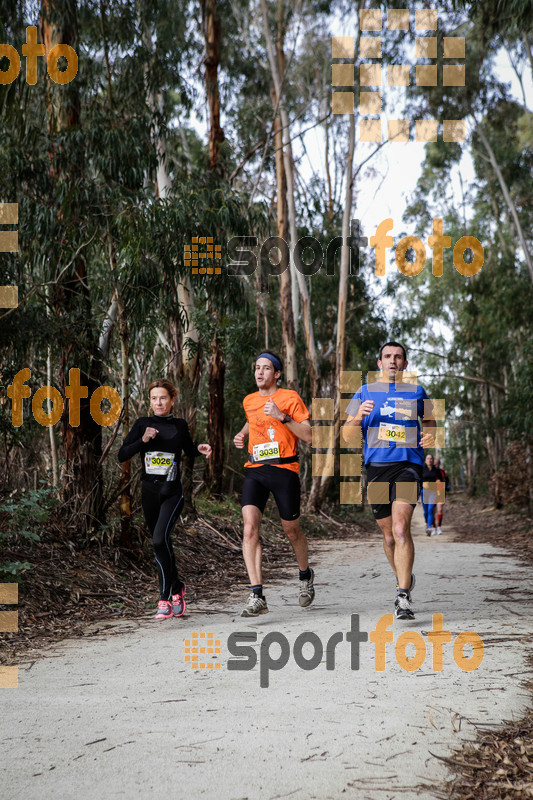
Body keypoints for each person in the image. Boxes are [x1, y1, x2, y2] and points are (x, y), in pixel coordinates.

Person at [342, 342, 436, 620]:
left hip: (409, 465)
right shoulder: (363, 392)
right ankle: (403, 579)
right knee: (387, 535)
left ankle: (402, 597)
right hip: (376, 468)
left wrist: (430, 436)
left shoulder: (417, 392)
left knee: (400, 528)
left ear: (405, 364)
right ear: (379, 362)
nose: (393, 361)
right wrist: (357, 416)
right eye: (387, 356)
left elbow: (431, 422)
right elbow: (346, 437)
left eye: (398, 357)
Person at [118, 379, 212, 620]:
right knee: (162, 543)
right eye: (153, 398)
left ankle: (164, 599)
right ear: (149, 401)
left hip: (172, 493)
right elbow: (122, 454)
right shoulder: (142, 424)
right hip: (149, 493)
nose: (158, 403)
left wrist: (199, 449)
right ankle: (178, 586)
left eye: (162, 398)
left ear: (172, 400)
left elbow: (188, 450)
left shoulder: (179, 425)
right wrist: (143, 441)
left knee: (159, 539)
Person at [233, 351, 314, 617]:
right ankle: (257, 594)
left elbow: (310, 436)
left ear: (277, 374)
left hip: (284, 469)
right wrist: (242, 434)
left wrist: (282, 417)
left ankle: (305, 575)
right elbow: (253, 419)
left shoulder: (290, 398)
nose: (259, 373)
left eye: (266, 368)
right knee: (249, 528)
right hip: (255, 470)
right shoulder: (249, 400)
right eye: (257, 368)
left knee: (292, 530)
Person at [422, 453, 440, 536]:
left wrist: (438, 481)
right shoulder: (422, 469)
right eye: (428, 458)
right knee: (425, 512)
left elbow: (440, 479)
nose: (430, 460)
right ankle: (426, 522)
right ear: (425, 461)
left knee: (430, 509)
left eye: (431, 458)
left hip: (433, 492)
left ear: (433, 460)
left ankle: (429, 528)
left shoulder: (436, 470)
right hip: (424, 492)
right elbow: (418, 480)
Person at [434, 457, 450, 534]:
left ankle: (439, 527)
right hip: (431, 490)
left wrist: (447, 486)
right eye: (435, 463)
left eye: (437, 463)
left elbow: (447, 480)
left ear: (439, 464)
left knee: (439, 509)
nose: (436, 465)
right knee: (432, 510)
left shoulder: (442, 471)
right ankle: (433, 527)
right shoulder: (428, 471)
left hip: (440, 489)